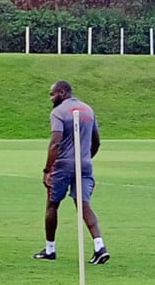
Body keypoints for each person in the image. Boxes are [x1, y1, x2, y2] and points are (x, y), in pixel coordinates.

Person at [34, 81, 109, 264]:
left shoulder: (58, 112)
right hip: (84, 164)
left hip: (62, 166)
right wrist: (86, 159)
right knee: (84, 205)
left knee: (52, 205)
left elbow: (55, 143)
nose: (51, 98)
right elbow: (96, 141)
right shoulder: (88, 109)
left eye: (52, 94)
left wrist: (47, 170)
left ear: (62, 92)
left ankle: (50, 249)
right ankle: (100, 247)